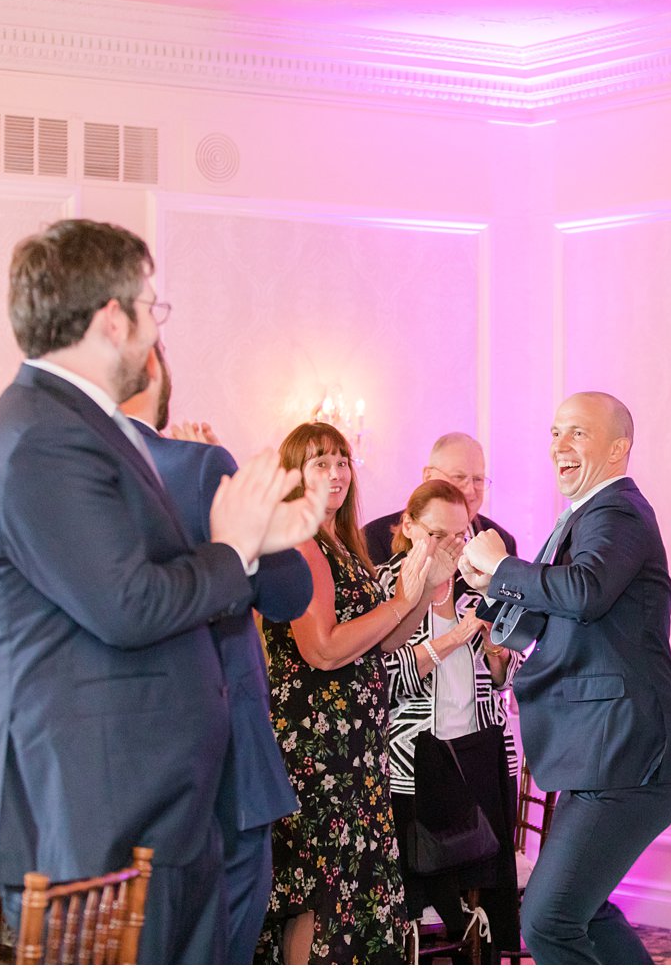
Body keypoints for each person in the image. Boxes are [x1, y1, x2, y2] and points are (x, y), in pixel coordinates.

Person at [0, 219, 322, 963]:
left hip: (143, 806)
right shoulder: (43, 435)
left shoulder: (78, 427)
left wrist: (248, 543)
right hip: (94, 815)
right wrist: (229, 547)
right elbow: (127, 604)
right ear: (110, 318)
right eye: (150, 307)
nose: (156, 328)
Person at [459, 391, 671, 965]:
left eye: (577, 434)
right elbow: (542, 622)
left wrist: (503, 567)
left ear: (619, 449)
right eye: (554, 433)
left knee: (547, 920)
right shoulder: (586, 518)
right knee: (580, 914)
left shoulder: (616, 512)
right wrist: (484, 584)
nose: (559, 447)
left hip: (628, 754)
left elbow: (587, 592)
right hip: (601, 750)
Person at [120, 345, 315, 963]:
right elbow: (289, 594)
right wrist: (248, 541)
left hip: (107, 773)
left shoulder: (49, 476)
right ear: (155, 380)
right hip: (221, 766)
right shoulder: (200, 469)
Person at [257, 423, 458, 964]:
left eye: (341, 460)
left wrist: (421, 588)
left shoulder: (340, 544)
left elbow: (381, 640)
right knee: (317, 894)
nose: (336, 472)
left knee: (346, 895)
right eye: (320, 462)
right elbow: (321, 649)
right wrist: (400, 602)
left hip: (356, 750)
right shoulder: (299, 545)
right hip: (318, 751)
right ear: (294, 475)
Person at [376, 479, 523, 958]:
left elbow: (501, 683)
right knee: (417, 895)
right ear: (408, 527)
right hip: (412, 769)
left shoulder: (478, 587)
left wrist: (500, 660)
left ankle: (474, 946)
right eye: (438, 534)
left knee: (482, 894)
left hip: (477, 758)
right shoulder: (385, 586)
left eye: (461, 535)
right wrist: (451, 640)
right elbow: (382, 684)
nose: (453, 546)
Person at [364, 432, 517, 568]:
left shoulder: (501, 540)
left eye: (477, 479)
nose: (470, 490)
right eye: (459, 477)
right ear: (428, 476)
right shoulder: (372, 538)